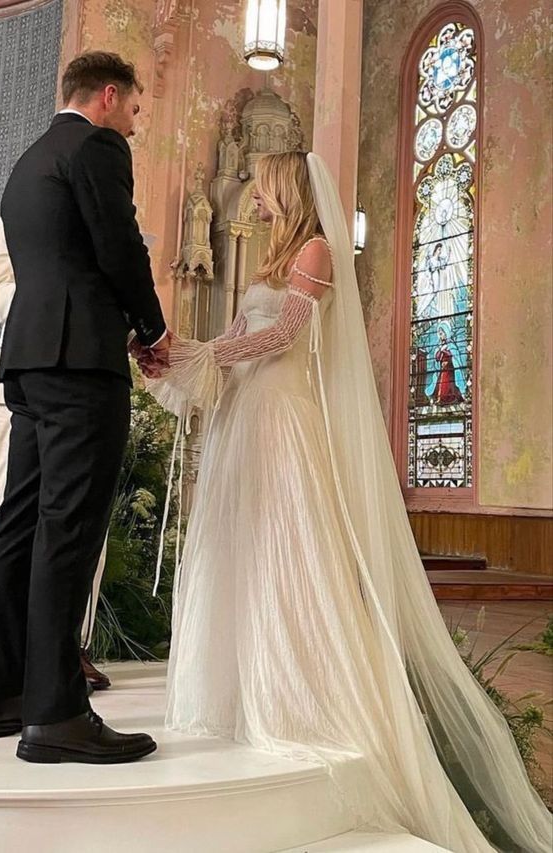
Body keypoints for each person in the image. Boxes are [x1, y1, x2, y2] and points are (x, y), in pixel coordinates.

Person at [146, 152, 550, 852]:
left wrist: (215, 357)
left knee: (290, 550)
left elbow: (285, 335)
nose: (257, 205)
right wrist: (181, 353)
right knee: (248, 549)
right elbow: (242, 336)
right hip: (248, 412)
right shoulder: (272, 256)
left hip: (282, 416)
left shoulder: (317, 248)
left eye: (264, 193)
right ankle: (251, 685)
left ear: (284, 188)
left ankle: (305, 691)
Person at [0, 51, 169, 764]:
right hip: (79, 363)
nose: (133, 120)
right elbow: (117, 246)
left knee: (19, 523)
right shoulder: (96, 146)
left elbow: (59, 259)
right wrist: (150, 328)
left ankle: (1, 689)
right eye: (133, 108)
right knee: (68, 529)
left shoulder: (27, 160)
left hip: (29, 362)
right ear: (106, 95)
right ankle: (57, 712)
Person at [0, 219, 110, 691]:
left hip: (85, 377)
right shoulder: (27, 202)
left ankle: (62, 650)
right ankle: (5, 659)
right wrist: (55, 303)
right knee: (11, 517)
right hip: (24, 378)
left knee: (79, 526)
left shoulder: (101, 200)